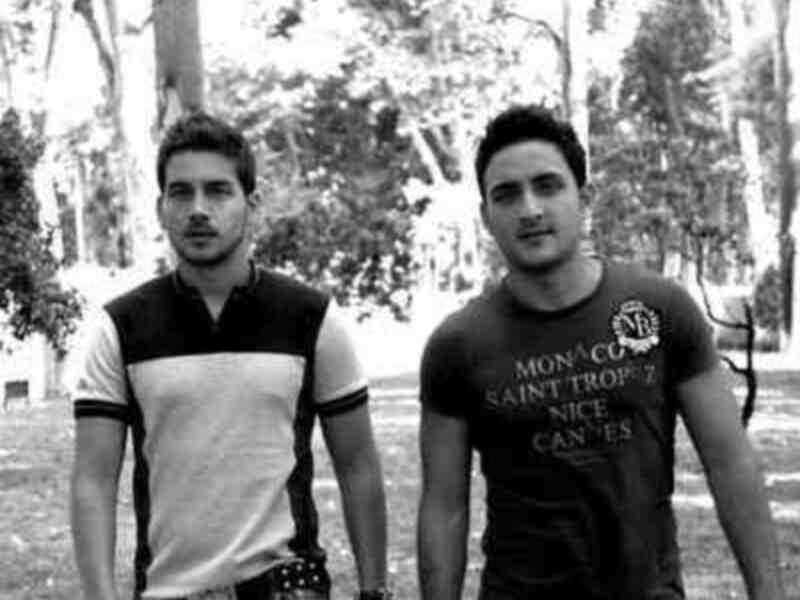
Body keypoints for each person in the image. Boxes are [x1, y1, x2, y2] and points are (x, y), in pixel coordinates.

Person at [417, 104, 786, 599]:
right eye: (507, 195)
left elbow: (730, 463)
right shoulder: (457, 345)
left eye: (547, 186)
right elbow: (444, 506)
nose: (530, 210)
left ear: (583, 198)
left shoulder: (660, 309)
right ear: (486, 216)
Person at [70, 112, 392, 600]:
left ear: (251, 204)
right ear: (160, 208)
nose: (198, 210)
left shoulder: (312, 319)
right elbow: (93, 481)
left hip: (288, 588)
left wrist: (374, 591)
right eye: (181, 193)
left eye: (218, 191)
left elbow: (359, 466)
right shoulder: (120, 328)